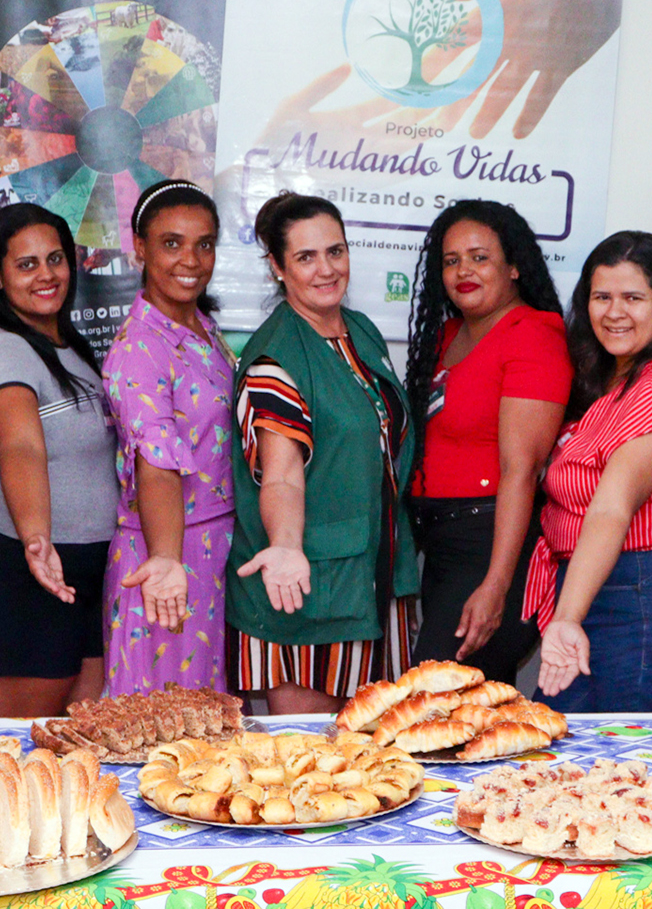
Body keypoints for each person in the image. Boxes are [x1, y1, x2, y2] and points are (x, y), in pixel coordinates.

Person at [226, 193, 418, 713]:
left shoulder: (361, 332)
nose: (326, 269)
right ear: (277, 267)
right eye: (306, 257)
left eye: (336, 251)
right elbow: (282, 475)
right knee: (309, 765)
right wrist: (286, 545)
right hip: (307, 586)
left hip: (374, 578)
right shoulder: (276, 357)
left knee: (375, 763)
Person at [528, 232, 652, 711]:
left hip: (644, 599)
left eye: (633, 297)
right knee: (571, 759)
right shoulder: (616, 380)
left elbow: (612, 507)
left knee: (629, 767)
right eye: (602, 297)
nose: (614, 312)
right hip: (611, 594)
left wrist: (567, 617)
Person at [0, 204, 117, 717]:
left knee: (74, 749)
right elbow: (21, 447)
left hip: (81, 571)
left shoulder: (70, 351)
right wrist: (37, 540)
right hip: (22, 570)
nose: (46, 275)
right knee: (21, 753)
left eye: (56, 259)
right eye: (26, 264)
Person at [403, 200, 572, 683]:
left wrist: (496, 586)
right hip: (442, 548)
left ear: (514, 265)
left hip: (492, 548)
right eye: (451, 260)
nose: (463, 271)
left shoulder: (533, 335)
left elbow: (522, 470)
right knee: (462, 713)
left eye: (479, 257)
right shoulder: (448, 334)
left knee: (438, 701)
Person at [100, 180, 236, 695]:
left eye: (204, 244)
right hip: (167, 557)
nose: (192, 259)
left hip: (215, 552)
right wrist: (166, 561)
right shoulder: (141, 346)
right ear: (139, 248)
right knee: (166, 734)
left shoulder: (201, 326)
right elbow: (155, 462)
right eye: (172, 243)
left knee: (213, 732)